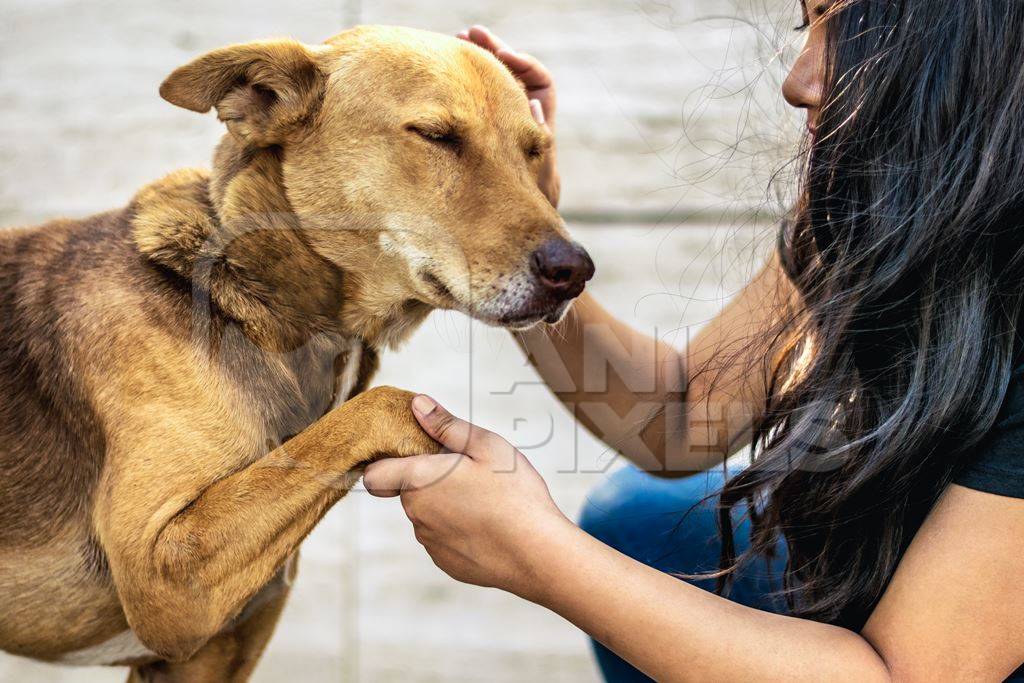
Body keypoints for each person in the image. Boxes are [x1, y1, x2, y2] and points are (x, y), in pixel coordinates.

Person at [363, 2, 1024, 680]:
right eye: (807, 25)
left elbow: (907, 675)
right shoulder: (888, 203)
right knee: (648, 521)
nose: (797, 80)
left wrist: (534, 551)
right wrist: (528, 238)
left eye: (849, 26)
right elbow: (676, 416)